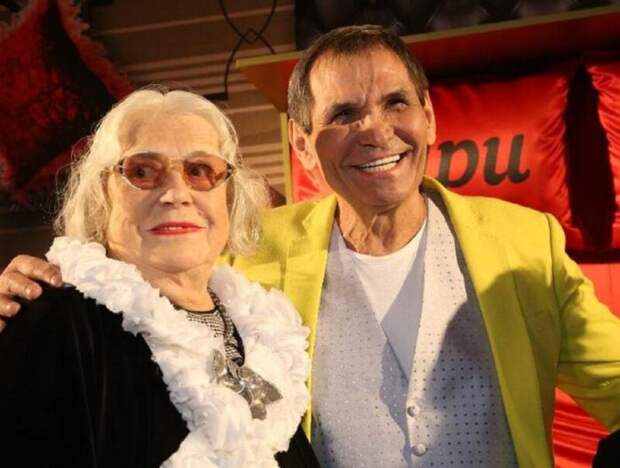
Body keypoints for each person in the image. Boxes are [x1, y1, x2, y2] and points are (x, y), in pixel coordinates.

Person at [2, 25, 620, 467]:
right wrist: (29, 290)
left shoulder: (525, 243)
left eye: (396, 103)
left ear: (429, 116)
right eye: (344, 114)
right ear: (302, 144)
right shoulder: (246, 261)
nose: (376, 131)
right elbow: (141, 273)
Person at [0, 88, 320, 468]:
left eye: (199, 171)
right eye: (142, 171)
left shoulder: (261, 334)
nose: (176, 193)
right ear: (102, 194)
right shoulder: (57, 321)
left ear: (230, 197)